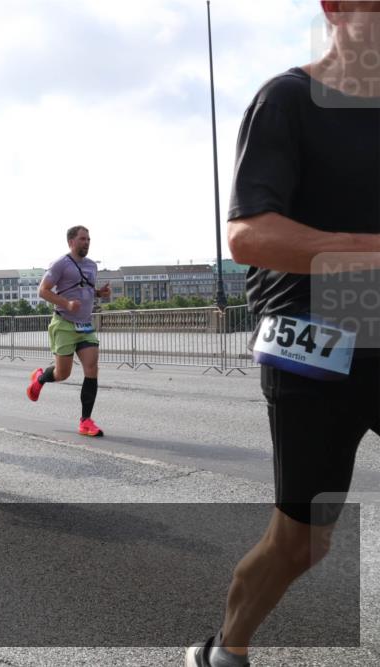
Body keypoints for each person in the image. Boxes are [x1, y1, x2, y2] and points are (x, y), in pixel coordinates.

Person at [186, 4, 380, 666]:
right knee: (305, 539)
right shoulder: (289, 99)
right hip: (314, 340)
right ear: (334, 7)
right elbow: (247, 234)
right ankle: (225, 648)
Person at [25, 226, 110, 437]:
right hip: (63, 323)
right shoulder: (60, 264)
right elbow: (42, 290)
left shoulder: (92, 265)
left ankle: (85, 421)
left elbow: (85, 288)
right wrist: (66, 303)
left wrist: (99, 293)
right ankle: (40, 378)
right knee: (62, 373)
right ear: (71, 241)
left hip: (85, 325)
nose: (87, 242)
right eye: (83, 239)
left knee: (92, 367)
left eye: (89, 239)